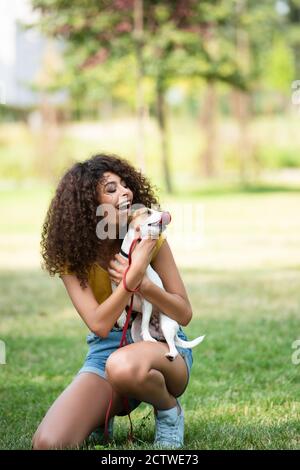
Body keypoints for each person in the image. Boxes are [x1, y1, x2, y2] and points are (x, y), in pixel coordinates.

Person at [32, 153, 193, 450]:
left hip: (162, 349)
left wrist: (145, 284)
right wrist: (130, 282)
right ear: (87, 207)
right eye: (111, 189)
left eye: (124, 185)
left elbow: (183, 313)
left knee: (122, 366)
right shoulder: (74, 256)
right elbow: (100, 325)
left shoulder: (149, 237)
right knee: (48, 443)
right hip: (107, 349)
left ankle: (169, 410)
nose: (125, 192)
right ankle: (99, 416)